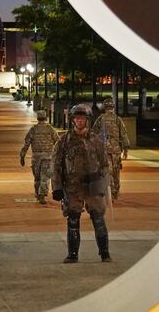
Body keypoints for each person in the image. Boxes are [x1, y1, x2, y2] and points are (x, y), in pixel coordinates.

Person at [52, 104, 111, 263]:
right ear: (72, 120)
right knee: (73, 219)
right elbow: (56, 165)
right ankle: (73, 254)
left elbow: (105, 164)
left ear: (87, 120)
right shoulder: (64, 141)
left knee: (98, 218)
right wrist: (56, 187)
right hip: (73, 187)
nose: (79, 121)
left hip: (93, 185)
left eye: (82, 118)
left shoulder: (96, 141)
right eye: (77, 118)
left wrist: (104, 183)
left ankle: (105, 253)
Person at [90, 97, 130, 200]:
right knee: (116, 171)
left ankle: (111, 191)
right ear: (112, 107)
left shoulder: (100, 119)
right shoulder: (117, 119)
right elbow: (124, 134)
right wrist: (126, 149)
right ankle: (115, 191)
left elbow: (93, 134)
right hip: (116, 150)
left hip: (104, 149)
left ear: (104, 107)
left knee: (108, 171)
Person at [20, 110, 59, 204]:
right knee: (45, 177)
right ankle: (42, 194)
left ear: (37, 118)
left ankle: (38, 193)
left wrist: (22, 156)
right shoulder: (50, 129)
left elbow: (26, 144)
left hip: (36, 157)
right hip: (48, 156)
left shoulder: (33, 129)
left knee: (37, 177)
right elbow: (58, 142)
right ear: (45, 118)